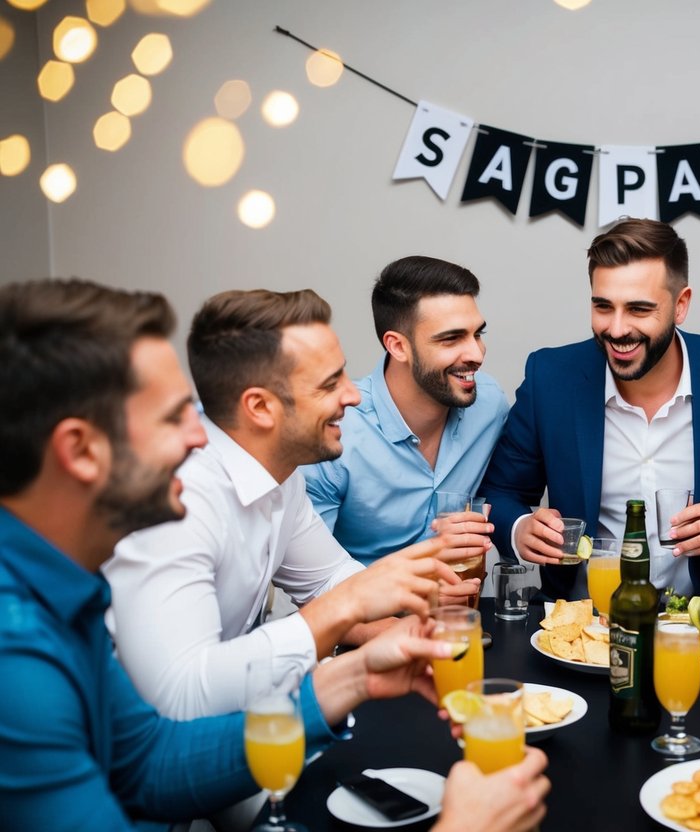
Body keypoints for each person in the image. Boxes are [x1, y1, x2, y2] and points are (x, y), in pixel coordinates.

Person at [0, 278, 549, 832]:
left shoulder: (65, 592)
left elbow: (151, 764)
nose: (200, 436)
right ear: (80, 450)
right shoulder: (17, 651)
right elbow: (181, 702)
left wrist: (355, 675)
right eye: (174, 416)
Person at [104, 288, 482, 720]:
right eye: (329, 383)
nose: (353, 396)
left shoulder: (281, 476)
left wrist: (415, 621)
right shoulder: (180, 500)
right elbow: (181, 697)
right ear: (260, 408)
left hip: (244, 724)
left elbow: (329, 579)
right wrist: (352, 604)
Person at [480, 218, 700, 599]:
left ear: (681, 305)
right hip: (584, 622)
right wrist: (519, 528)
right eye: (603, 306)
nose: (616, 329)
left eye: (638, 309)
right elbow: (499, 492)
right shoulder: (550, 378)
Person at [304, 256, 507, 565]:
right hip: (358, 612)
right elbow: (311, 576)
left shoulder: (489, 406)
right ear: (398, 346)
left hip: (460, 611)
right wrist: (420, 579)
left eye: (477, 334)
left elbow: (505, 492)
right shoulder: (336, 432)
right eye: (451, 338)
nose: (476, 354)